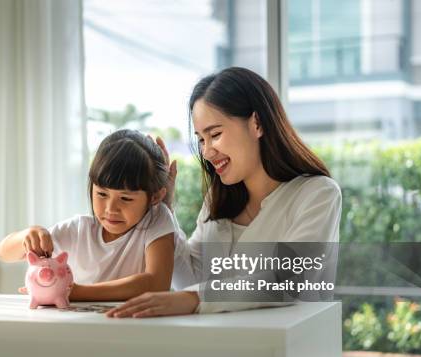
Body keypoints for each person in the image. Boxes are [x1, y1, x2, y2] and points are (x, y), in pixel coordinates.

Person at [106, 67, 342, 318]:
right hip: (222, 347)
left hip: (288, 350)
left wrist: (195, 297)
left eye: (215, 134)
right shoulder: (217, 200)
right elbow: (191, 277)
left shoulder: (317, 194)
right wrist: (162, 209)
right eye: (201, 139)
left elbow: (289, 280)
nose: (206, 152)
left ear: (257, 123)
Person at [0, 129, 189, 301]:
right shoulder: (79, 230)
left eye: (126, 198)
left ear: (155, 196)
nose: (111, 208)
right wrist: (29, 235)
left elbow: (157, 283)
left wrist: (75, 292)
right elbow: (4, 252)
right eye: (102, 194)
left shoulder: (156, 220)